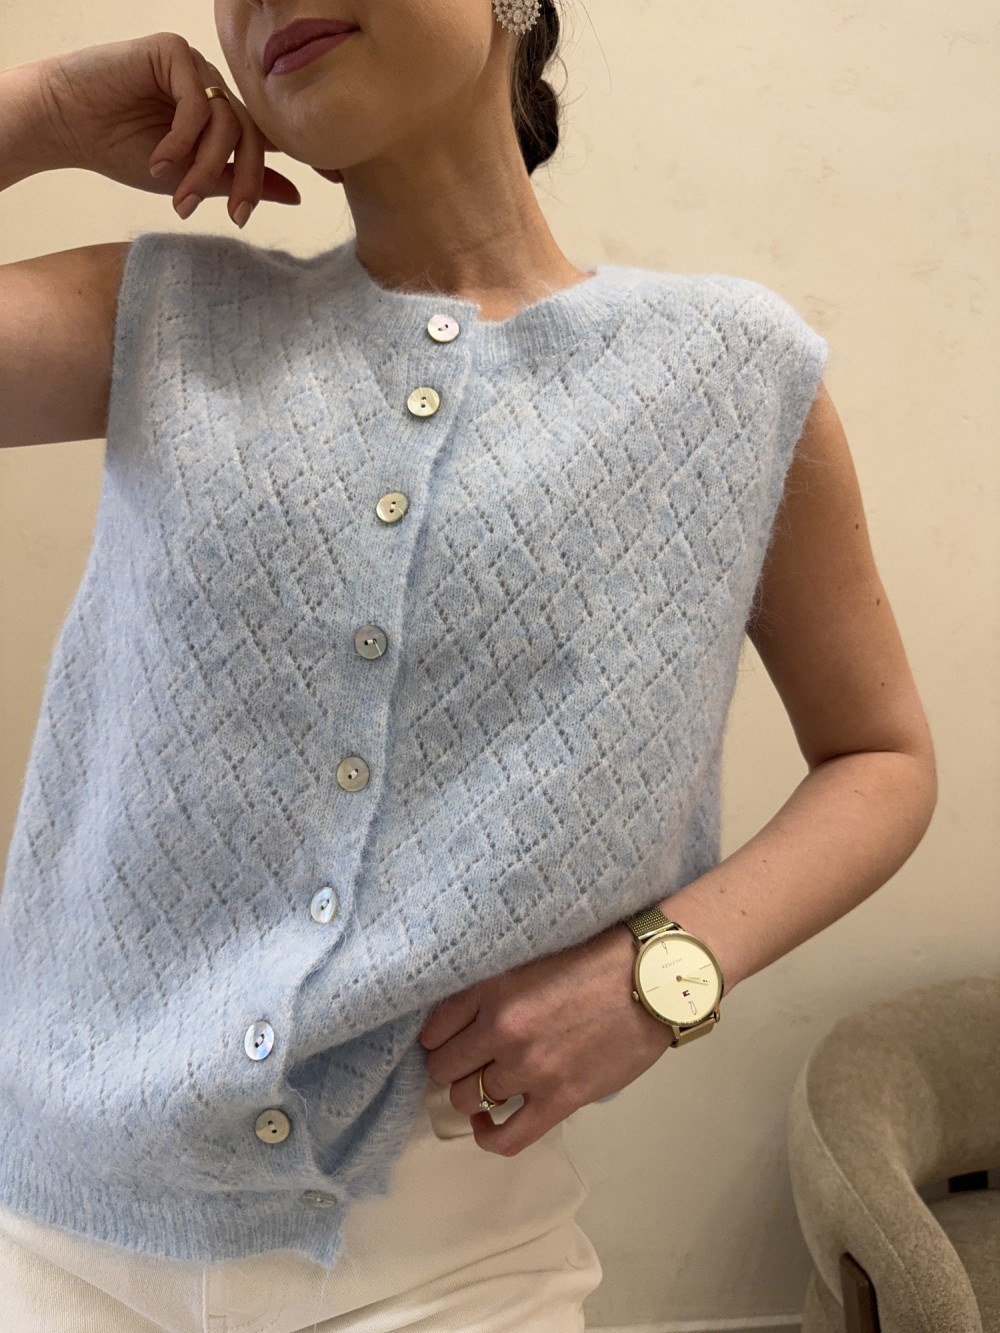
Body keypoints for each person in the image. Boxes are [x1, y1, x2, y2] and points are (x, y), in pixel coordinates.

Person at [0, 2, 938, 1331]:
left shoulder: (733, 375)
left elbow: (882, 757)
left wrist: (666, 974)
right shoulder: (165, 317)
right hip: (46, 1241)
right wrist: (36, 113)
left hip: (450, 1268)